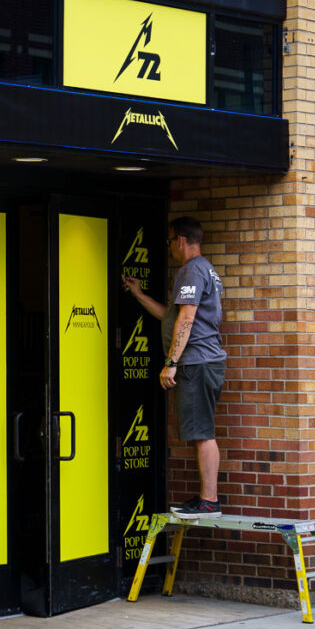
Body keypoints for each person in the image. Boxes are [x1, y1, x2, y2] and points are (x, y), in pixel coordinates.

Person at [123, 217, 227, 519]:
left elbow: (187, 318)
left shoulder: (192, 270)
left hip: (196, 362)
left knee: (203, 432)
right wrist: (139, 294)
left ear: (180, 240)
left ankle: (209, 501)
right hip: (202, 361)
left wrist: (170, 363)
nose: (169, 248)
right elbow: (172, 315)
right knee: (200, 431)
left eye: (169, 242)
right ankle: (208, 498)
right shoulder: (205, 269)